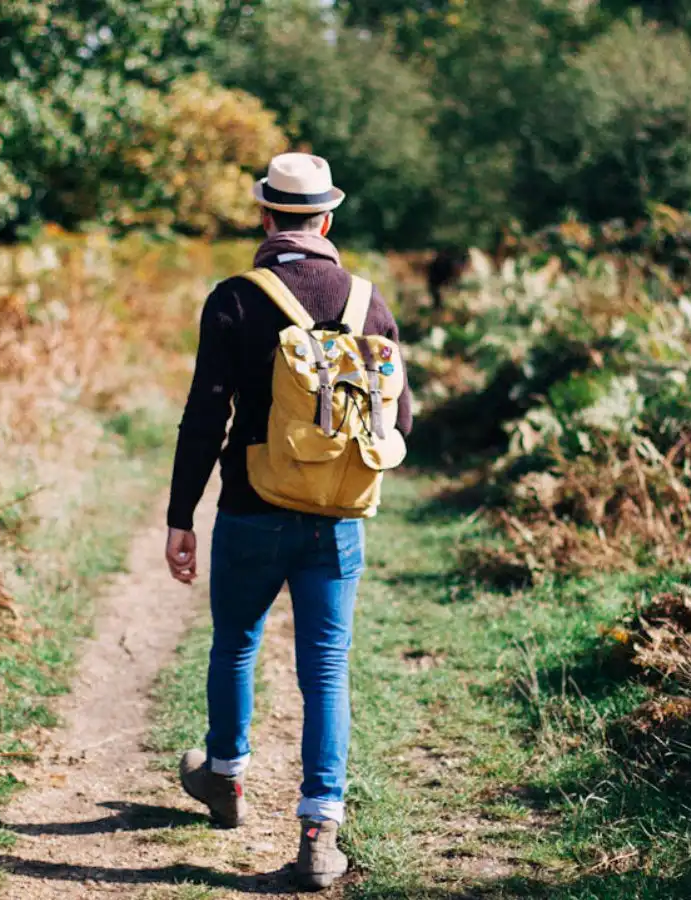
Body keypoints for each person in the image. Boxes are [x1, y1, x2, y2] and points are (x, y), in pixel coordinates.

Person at [164, 152, 413, 889]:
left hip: (248, 507)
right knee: (326, 669)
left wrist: (182, 515)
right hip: (337, 519)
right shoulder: (369, 301)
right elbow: (399, 416)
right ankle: (318, 831)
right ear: (327, 220)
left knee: (236, 645)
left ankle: (225, 778)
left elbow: (204, 414)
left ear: (266, 217)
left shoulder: (236, 297)